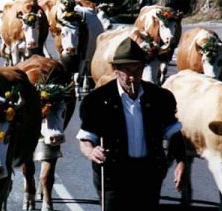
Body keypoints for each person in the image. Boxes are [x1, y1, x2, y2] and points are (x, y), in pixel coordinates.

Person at [76, 37, 186, 210]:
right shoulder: (97, 100)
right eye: (127, 70)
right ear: (115, 69)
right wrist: (92, 151)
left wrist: (181, 163)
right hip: (113, 174)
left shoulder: (160, 97)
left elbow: (174, 133)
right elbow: (86, 138)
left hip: (148, 173)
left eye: (137, 69)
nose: (132, 76)